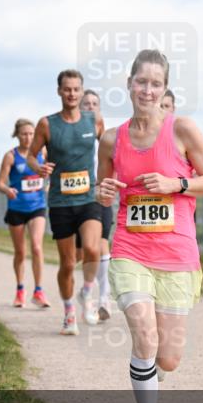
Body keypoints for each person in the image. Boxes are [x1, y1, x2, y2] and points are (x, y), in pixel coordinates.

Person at [96, 49, 203, 403]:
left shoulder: (183, 130)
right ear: (129, 84)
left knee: (167, 358)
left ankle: (150, 374)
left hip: (176, 252)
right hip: (130, 246)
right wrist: (104, 192)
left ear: (165, 89)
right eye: (141, 81)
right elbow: (104, 185)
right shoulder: (112, 139)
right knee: (144, 335)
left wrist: (175, 184)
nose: (147, 90)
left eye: (156, 83)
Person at [27, 69, 104, 335]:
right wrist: (38, 169)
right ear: (59, 91)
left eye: (76, 89)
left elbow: (106, 152)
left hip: (88, 196)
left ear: (82, 91)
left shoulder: (93, 121)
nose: (72, 93)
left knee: (93, 250)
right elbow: (31, 155)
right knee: (68, 263)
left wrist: (107, 179)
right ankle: (69, 312)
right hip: (60, 202)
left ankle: (87, 291)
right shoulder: (47, 124)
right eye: (67, 89)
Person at [0, 119, 50, 309]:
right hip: (16, 208)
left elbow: (52, 171)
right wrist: (8, 190)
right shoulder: (11, 156)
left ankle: (39, 291)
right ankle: (20, 290)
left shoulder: (42, 152)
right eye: (24, 134)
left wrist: (49, 183)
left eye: (31, 134)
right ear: (17, 135)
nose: (28, 138)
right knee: (20, 252)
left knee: (36, 246)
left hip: (37, 206)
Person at [77, 89, 114, 321]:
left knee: (103, 245)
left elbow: (114, 156)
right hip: (77, 198)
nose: (90, 107)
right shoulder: (71, 132)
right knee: (85, 251)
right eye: (86, 104)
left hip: (99, 195)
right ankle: (86, 292)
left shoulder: (104, 133)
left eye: (94, 103)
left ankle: (104, 300)